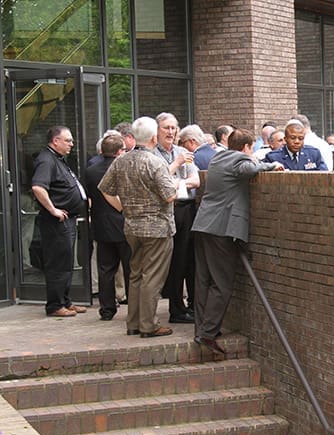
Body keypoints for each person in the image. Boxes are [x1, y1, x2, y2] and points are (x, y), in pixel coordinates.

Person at [192, 128, 285, 355]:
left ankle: (201, 328)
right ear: (246, 147)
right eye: (250, 148)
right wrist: (270, 165)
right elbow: (250, 168)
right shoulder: (240, 158)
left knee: (203, 280)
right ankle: (208, 334)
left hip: (203, 224)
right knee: (222, 284)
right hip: (220, 228)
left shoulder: (218, 158)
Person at [98, 116, 177, 338]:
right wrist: (178, 183)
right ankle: (148, 325)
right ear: (154, 137)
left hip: (132, 226)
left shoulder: (121, 161)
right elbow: (170, 195)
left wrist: (122, 208)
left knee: (136, 274)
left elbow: (104, 188)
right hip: (157, 228)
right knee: (152, 276)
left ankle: (133, 323)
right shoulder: (155, 162)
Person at [31, 126, 88, 317]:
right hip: (56, 222)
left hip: (67, 220)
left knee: (66, 262)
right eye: (68, 140)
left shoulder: (58, 159)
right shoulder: (46, 160)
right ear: (55, 141)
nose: (71, 144)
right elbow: (38, 188)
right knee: (58, 264)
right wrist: (53, 209)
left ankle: (65, 301)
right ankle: (55, 305)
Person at [155, 112, 200, 324]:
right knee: (174, 260)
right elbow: (158, 182)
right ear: (157, 130)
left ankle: (191, 304)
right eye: (166, 128)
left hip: (187, 208)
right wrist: (177, 166)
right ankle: (176, 308)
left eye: (174, 128)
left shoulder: (182, 151)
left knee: (189, 258)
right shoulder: (152, 154)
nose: (171, 132)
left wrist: (176, 182)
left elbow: (196, 180)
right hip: (167, 210)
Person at [85, 133, 131, 321]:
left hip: (101, 225)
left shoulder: (90, 171)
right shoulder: (123, 168)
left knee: (105, 270)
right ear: (120, 151)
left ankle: (107, 309)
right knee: (130, 269)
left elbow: (88, 197)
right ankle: (134, 308)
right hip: (123, 224)